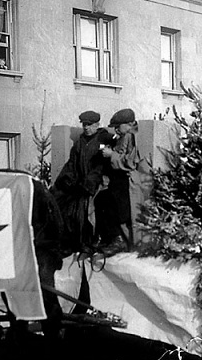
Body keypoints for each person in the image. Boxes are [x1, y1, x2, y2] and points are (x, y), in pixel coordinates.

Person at [51, 110, 112, 253]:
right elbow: (71, 164)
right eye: (84, 124)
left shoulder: (103, 140)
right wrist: (65, 180)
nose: (86, 127)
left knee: (82, 208)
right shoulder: (80, 142)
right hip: (79, 182)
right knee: (61, 201)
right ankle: (68, 242)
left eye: (90, 125)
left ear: (97, 125)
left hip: (96, 183)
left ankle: (86, 242)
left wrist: (88, 183)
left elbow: (100, 166)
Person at [96, 108, 146, 255]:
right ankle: (110, 239)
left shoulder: (134, 136)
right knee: (101, 200)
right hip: (119, 179)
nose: (116, 129)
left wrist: (112, 155)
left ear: (130, 124)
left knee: (114, 206)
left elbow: (131, 162)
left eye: (119, 126)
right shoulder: (123, 136)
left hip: (129, 181)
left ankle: (119, 241)